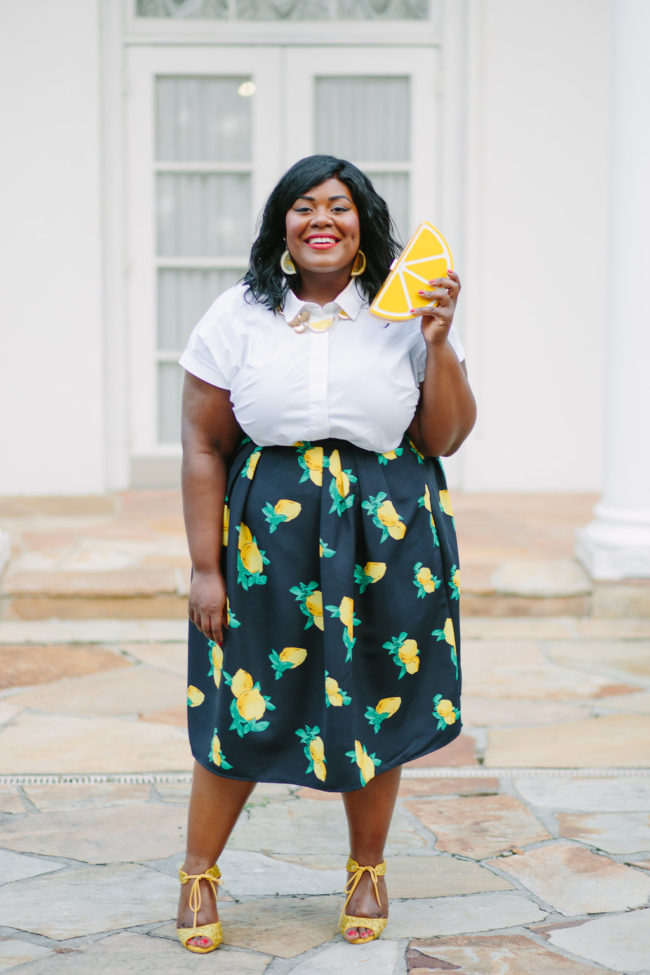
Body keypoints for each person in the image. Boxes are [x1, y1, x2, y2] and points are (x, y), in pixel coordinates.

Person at [176, 154, 476, 953]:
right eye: (304, 205)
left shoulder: (402, 312)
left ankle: (368, 868)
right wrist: (206, 566)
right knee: (243, 696)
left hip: (387, 534)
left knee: (374, 695)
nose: (322, 220)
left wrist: (438, 343)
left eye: (339, 207)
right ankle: (199, 871)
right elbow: (205, 445)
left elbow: (443, 435)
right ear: (283, 224)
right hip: (267, 537)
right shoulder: (237, 315)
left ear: (362, 224)